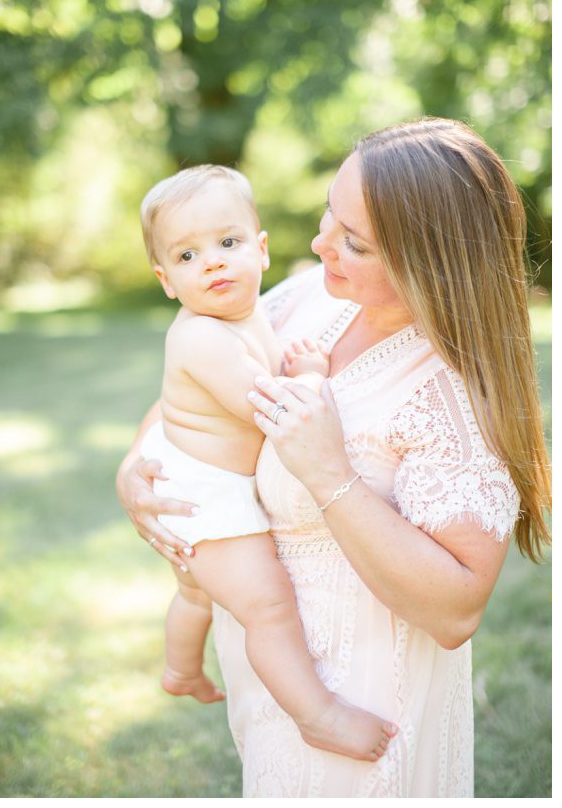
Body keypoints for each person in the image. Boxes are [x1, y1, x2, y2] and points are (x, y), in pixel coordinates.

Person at [117, 119, 551, 797]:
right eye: (329, 213)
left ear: (428, 263)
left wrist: (331, 473)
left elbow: (457, 611)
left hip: (366, 703)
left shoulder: (453, 396)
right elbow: (195, 387)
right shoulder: (309, 297)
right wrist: (134, 466)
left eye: (353, 242)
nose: (321, 243)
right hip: (272, 680)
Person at [135, 164, 397, 762]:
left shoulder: (250, 314)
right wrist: (306, 376)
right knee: (267, 606)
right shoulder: (201, 337)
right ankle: (317, 714)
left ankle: (179, 670)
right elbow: (266, 408)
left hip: (201, 482)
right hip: (208, 498)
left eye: (227, 244)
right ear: (167, 280)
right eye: (187, 255)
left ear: (260, 249)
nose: (213, 262)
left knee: (198, 593)